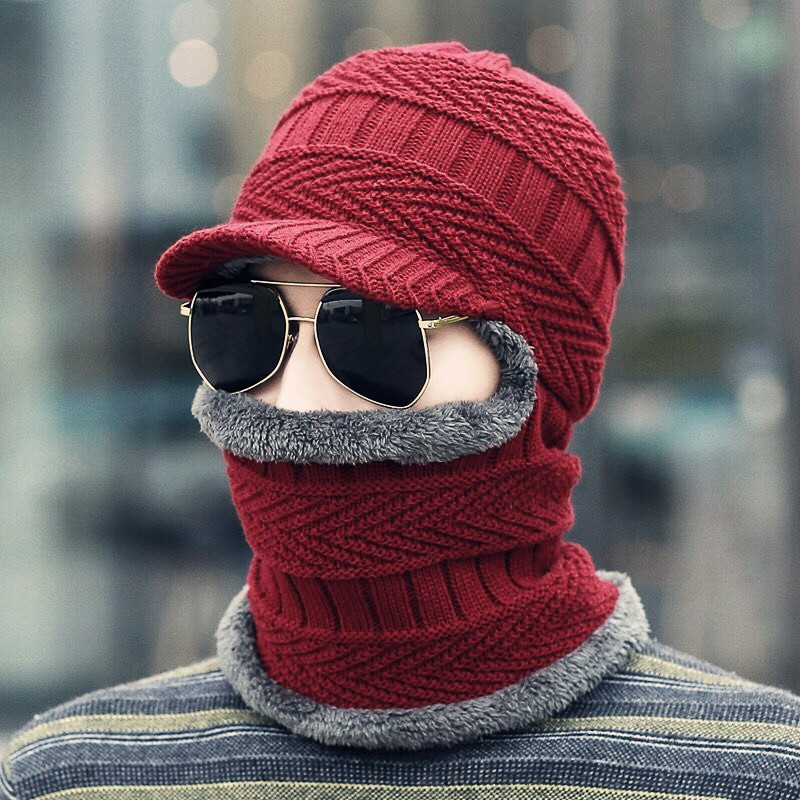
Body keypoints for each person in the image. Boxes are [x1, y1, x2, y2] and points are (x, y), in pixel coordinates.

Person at [3, 41, 799, 800]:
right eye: (241, 321)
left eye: (372, 327)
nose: (294, 397)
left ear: (540, 374)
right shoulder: (70, 775)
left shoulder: (758, 775)